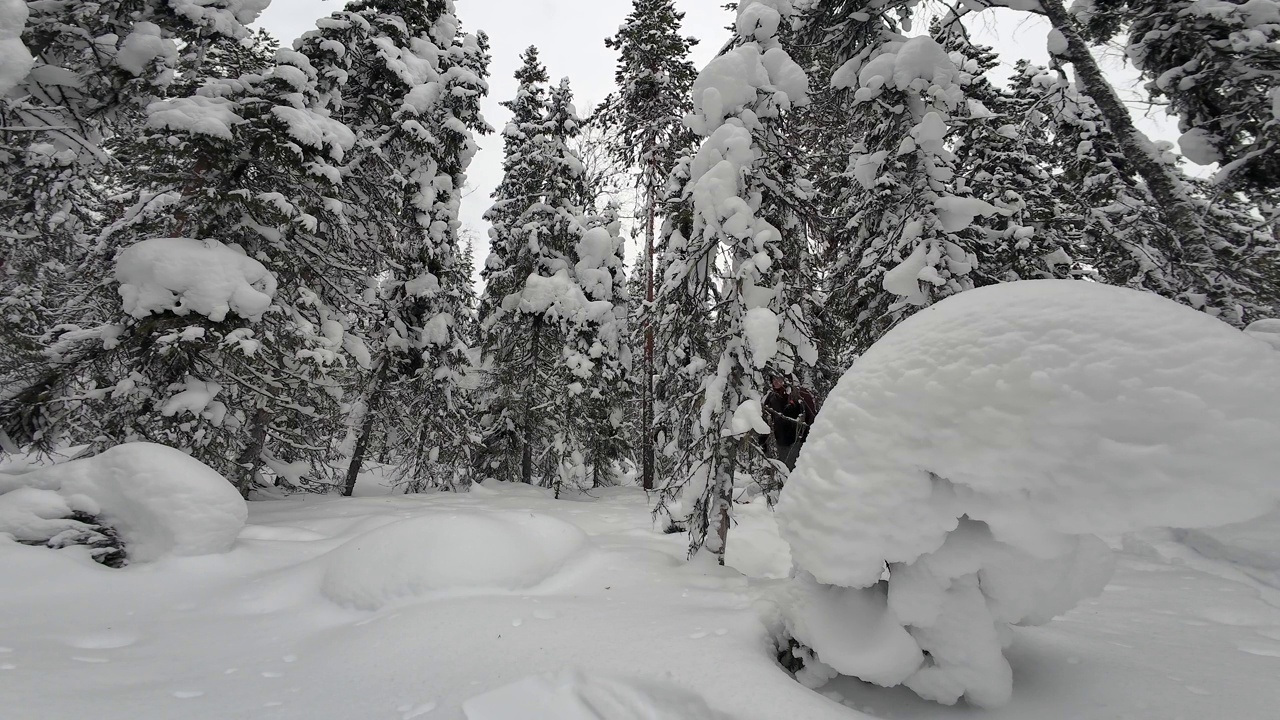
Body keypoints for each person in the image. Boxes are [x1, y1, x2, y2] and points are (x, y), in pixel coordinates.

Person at [761, 373, 818, 471]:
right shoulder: (771, 397)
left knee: (796, 470)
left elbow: (812, 416)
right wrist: (763, 442)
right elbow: (765, 420)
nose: (776, 381)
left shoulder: (800, 394)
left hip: (798, 440)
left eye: (779, 378)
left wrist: (809, 437)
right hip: (781, 441)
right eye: (773, 379)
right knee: (784, 470)